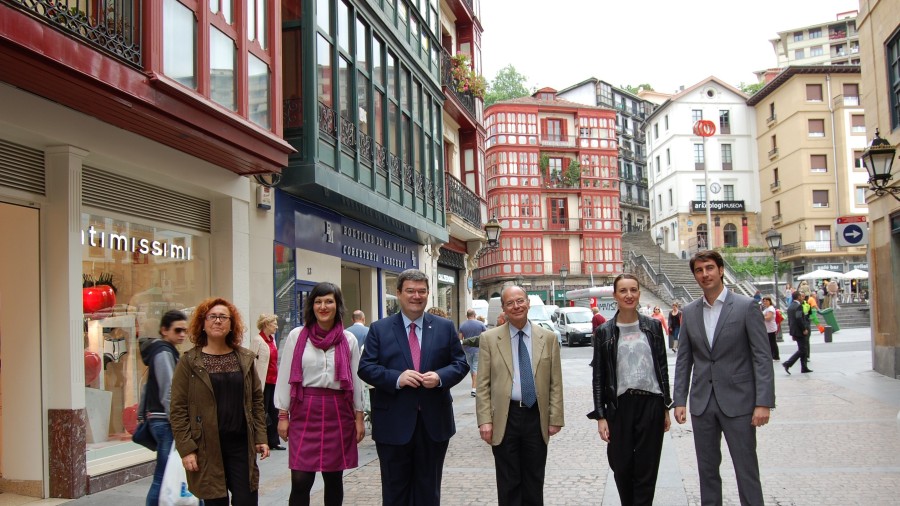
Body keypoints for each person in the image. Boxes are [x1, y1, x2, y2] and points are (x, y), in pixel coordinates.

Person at [358, 269, 469, 505]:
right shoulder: (379, 328)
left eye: (421, 291)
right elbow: (365, 367)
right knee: (394, 490)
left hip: (434, 424)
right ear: (398, 293)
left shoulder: (445, 327)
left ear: (428, 294)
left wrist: (439, 377)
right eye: (410, 291)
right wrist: (397, 378)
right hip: (393, 425)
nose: (416, 296)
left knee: (429, 491)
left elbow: (460, 364)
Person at [673, 250, 775, 506]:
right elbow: (684, 359)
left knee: (746, 470)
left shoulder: (745, 306)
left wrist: (763, 402)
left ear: (720, 270)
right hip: (702, 403)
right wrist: (680, 400)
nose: (704, 274)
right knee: (707, 472)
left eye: (709, 268)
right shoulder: (690, 311)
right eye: (699, 270)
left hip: (739, 403)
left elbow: (762, 357)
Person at [170, 298, 269, 505]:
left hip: (241, 444)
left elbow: (256, 399)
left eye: (223, 317)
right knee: (215, 501)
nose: (217, 321)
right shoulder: (189, 362)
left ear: (231, 324)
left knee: (247, 500)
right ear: (203, 324)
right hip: (206, 446)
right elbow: (178, 408)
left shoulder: (244, 358)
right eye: (212, 316)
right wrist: (187, 449)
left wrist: (261, 436)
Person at [275, 282, 365, 506]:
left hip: (338, 412)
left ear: (337, 305)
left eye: (328, 301)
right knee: (300, 480)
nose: (323, 306)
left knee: (334, 479)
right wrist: (283, 416)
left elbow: (355, 381)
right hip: (304, 410)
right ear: (311, 306)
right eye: (318, 301)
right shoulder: (297, 336)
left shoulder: (348, 339)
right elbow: (285, 374)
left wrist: (359, 418)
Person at [476, 285, 564, 506]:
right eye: (509, 303)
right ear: (503, 308)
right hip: (505, 417)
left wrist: (555, 418)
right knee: (508, 481)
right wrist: (485, 420)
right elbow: (483, 384)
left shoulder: (548, 338)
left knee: (534, 479)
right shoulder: (489, 339)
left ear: (528, 303)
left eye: (520, 301)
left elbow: (555, 382)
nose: (516, 306)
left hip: (536, 417)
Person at [588, 274, 671, 505]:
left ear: (639, 293)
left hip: (651, 403)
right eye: (623, 291)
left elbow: (662, 369)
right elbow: (598, 377)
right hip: (619, 406)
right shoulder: (604, 331)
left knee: (648, 467)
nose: (629, 295)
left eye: (633, 290)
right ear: (615, 295)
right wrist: (600, 416)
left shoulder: (653, 327)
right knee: (621, 465)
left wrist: (666, 407)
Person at [139, 309, 188, 506]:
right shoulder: (163, 352)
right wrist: (177, 421)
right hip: (165, 420)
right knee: (162, 474)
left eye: (185, 330)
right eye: (178, 330)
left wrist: (143, 415)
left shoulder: (163, 351)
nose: (182, 334)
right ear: (164, 330)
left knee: (163, 471)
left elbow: (147, 386)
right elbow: (169, 390)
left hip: (160, 419)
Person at [250, 313, 284, 451]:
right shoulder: (258, 340)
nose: (276, 326)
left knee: (273, 411)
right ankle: (260, 441)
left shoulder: (273, 340)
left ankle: (274, 441)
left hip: (273, 381)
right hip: (262, 382)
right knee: (261, 412)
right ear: (266, 325)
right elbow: (251, 361)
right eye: (274, 323)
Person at [459, 308, 488, 397]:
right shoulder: (480, 324)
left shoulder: (462, 325)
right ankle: (474, 388)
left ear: (467, 316)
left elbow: (460, 339)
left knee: (472, 368)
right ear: (474, 315)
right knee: (475, 368)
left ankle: (474, 386)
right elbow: (486, 337)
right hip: (478, 349)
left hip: (467, 350)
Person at [783, 291, 812, 375]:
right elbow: (799, 318)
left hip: (794, 330)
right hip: (800, 331)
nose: (802, 297)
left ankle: (804, 367)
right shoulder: (798, 306)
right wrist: (804, 329)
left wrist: (792, 332)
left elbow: (790, 321)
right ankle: (788, 363)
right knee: (803, 349)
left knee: (803, 349)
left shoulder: (790, 306)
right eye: (801, 296)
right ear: (798, 297)